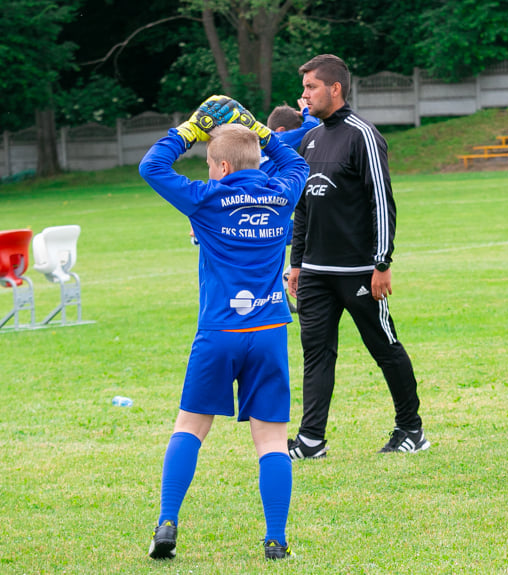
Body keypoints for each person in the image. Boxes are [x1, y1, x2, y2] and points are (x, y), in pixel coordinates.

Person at [139, 95, 309, 560]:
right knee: (272, 439)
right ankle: (276, 539)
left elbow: (152, 168)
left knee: (190, 428)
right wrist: (260, 128)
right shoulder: (283, 191)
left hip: (219, 332)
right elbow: (293, 160)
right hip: (270, 329)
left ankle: (167, 522)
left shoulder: (208, 199)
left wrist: (189, 130)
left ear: (219, 167)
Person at [285, 54, 429, 458]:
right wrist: (296, 263)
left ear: (335, 88)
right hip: (314, 272)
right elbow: (302, 207)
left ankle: (411, 430)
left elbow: (381, 202)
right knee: (316, 354)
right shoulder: (309, 139)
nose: (305, 94)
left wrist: (382, 263)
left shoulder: (362, 134)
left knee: (384, 347)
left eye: (311, 86)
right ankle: (311, 439)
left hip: (359, 272)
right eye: (305, 86)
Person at [259, 99, 320, 313]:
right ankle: (287, 278)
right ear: (282, 130)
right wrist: (306, 110)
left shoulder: (250, 144)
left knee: (269, 256)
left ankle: (279, 299)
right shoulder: (277, 138)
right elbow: (311, 127)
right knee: (313, 234)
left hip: (252, 212)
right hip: (270, 213)